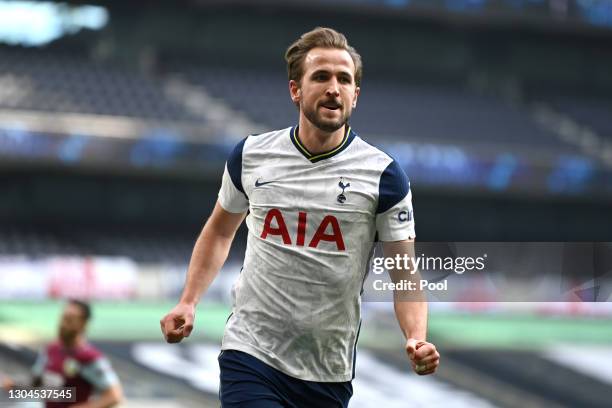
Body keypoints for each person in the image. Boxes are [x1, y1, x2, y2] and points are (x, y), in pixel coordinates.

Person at [160, 27, 440, 407]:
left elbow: (403, 272)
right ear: (296, 90)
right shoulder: (251, 155)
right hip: (251, 352)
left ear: (355, 96)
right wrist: (189, 300)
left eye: (344, 79)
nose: (333, 88)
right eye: (321, 76)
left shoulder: (384, 176)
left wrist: (416, 335)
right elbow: (220, 231)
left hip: (327, 370)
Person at [2, 299, 122, 408]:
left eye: (70, 319)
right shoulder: (51, 350)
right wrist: (16, 388)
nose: (64, 324)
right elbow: (45, 388)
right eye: (63, 318)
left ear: (84, 323)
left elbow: (114, 396)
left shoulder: (89, 357)